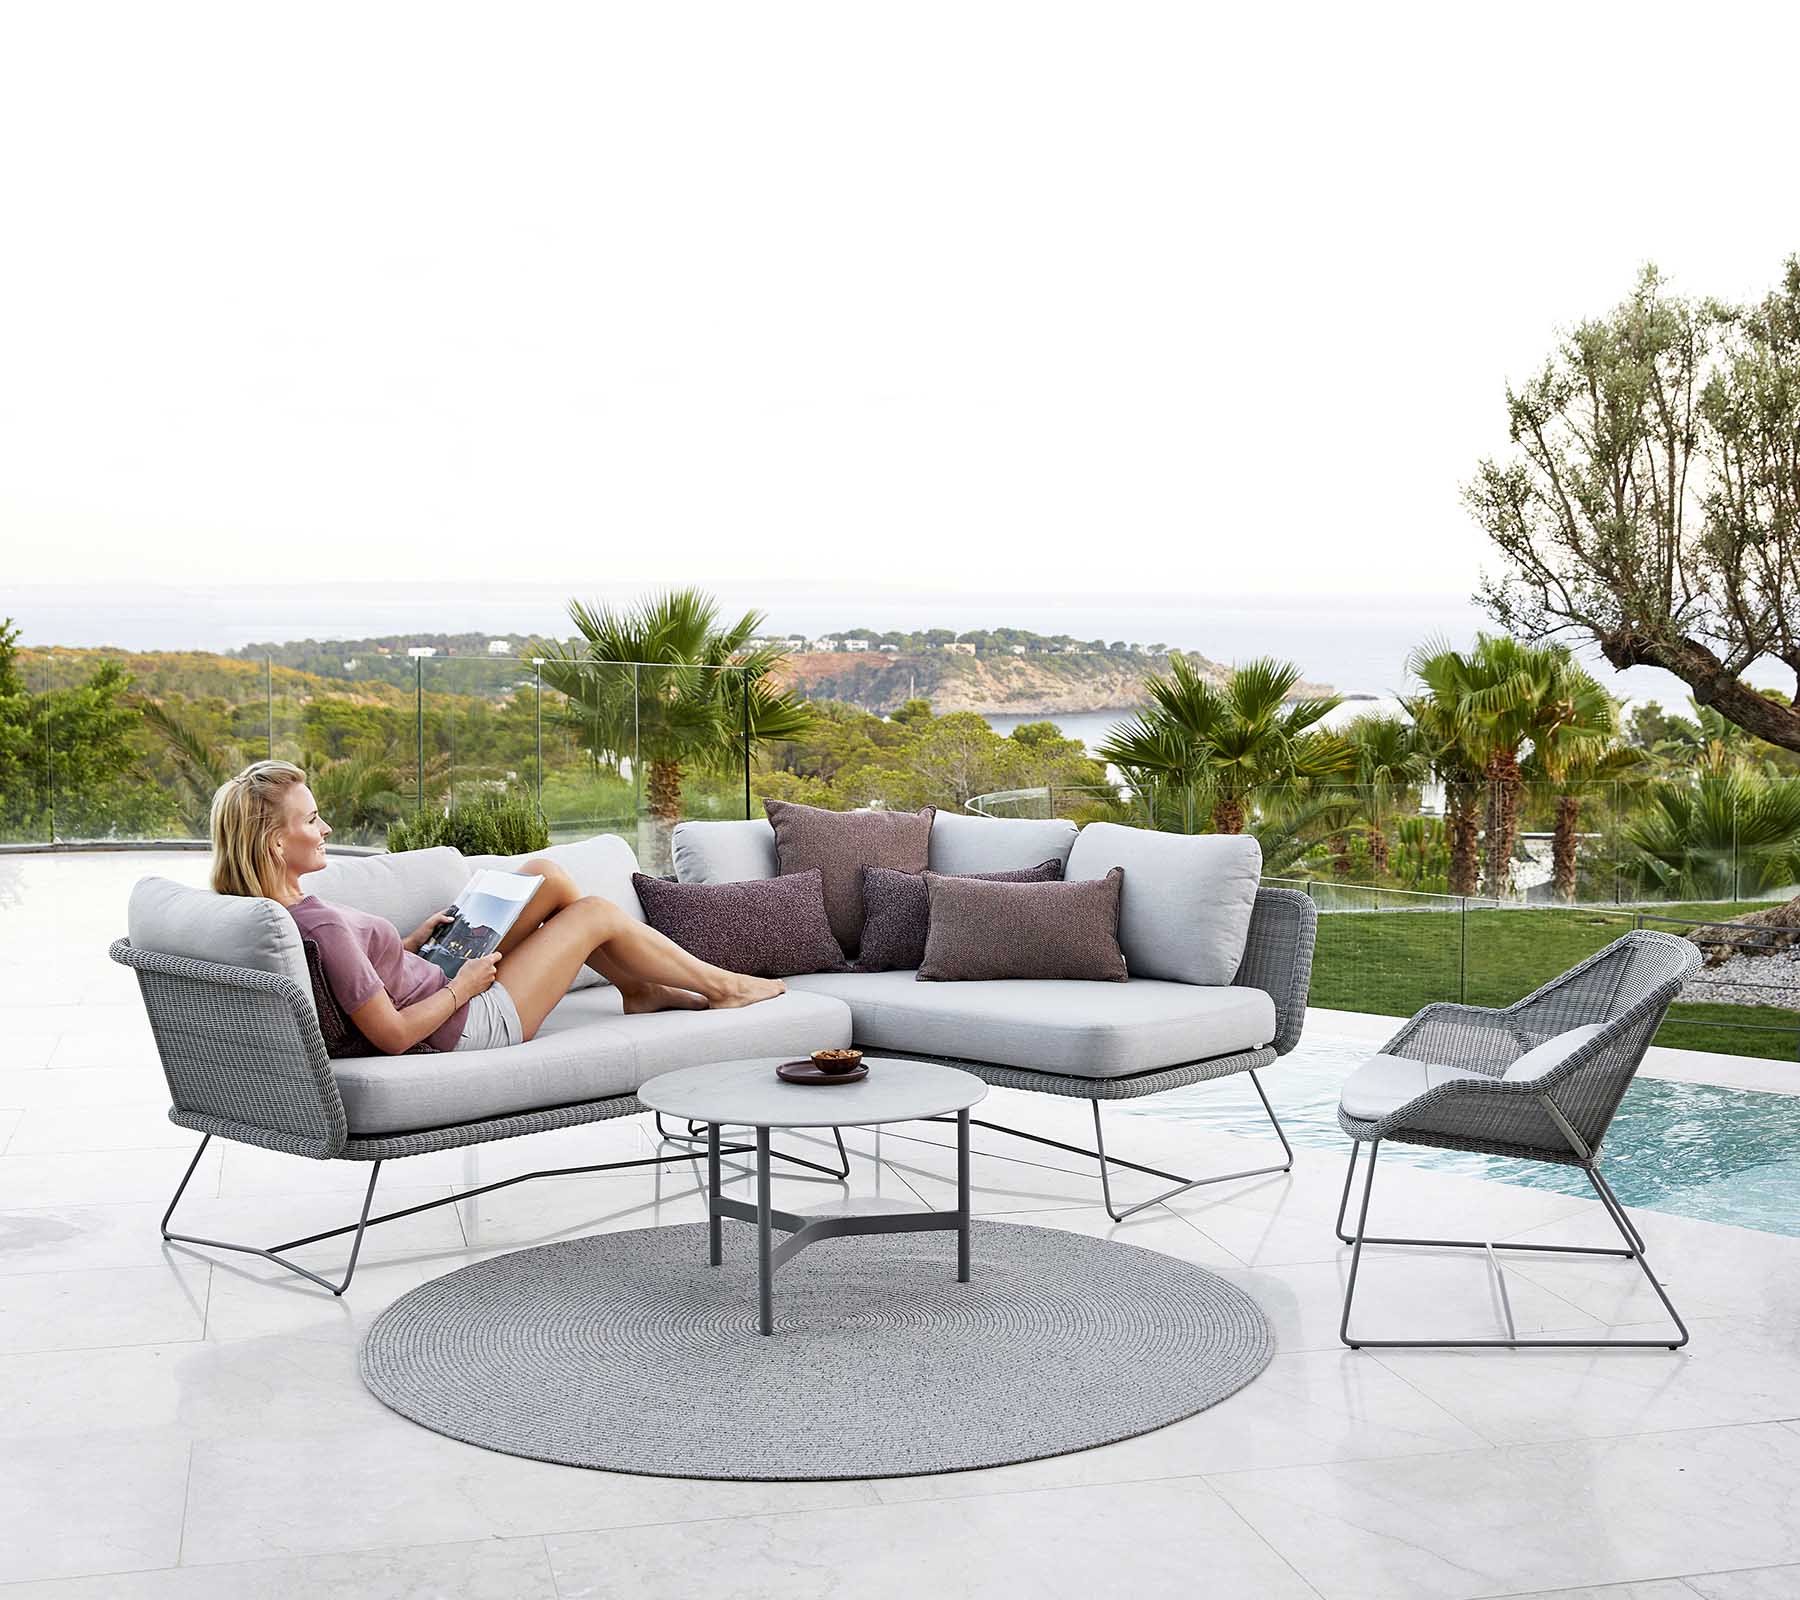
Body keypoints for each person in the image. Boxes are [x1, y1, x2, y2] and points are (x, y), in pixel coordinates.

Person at [207, 760, 783, 1054]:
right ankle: (723, 988)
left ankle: (641, 990)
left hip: (438, 977)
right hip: (461, 1020)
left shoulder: (285, 911)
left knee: (546, 876)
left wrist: (408, 944)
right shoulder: (320, 922)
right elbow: (393, 1036)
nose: (326, 826)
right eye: (312, 820)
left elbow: (353, 972)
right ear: (278, 843)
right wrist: (469, 985)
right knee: (595, 913)